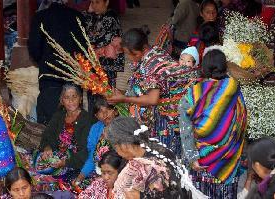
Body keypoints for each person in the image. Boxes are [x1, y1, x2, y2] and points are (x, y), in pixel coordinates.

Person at [107, 27, 197, 155]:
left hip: (168, 120)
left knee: (167, 155)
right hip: (172, 112)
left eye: (132, 54)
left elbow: (152, 99)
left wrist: (124, 99)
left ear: (143, 49)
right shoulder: (156, 51)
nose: (130, 58)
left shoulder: (151, 64)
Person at [179, 49, 247, 198]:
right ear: (225, 67)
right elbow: (241, 120)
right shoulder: (233, 88)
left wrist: (192, 157)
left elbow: (186, 130)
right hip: (228, 157)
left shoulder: (192, 94)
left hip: (202, 160)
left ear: (203, 68)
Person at [28, 0, 87, 124]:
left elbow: (34, 48)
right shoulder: (78, 17)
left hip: (50, 76)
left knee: (50, 120)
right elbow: (84, 50)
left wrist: (45, 61)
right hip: (73, 76)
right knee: (73, 116)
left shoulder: (40, 17)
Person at [106, 117, 188, 198]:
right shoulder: (149, 147)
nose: (117, 152)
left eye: (116, 148)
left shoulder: (155, 164)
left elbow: (171, 193)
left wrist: (139, 196)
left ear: (124, 145)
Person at [34, 84, 96, 191]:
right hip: (58, 155)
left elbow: (86, 150)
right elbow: (48, 134)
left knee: (65, 180)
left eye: (74, 97)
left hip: (76, 160)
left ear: (80, 99)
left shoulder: (87, 119)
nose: (71, 101)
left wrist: (65, 162)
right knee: (38, 163)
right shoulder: (59, 116)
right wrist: (47, 147)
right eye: (67, 98)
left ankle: (59, 180)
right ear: (62, 101)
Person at [83, 0, 125, 113]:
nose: (94, 5)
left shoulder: (110, 17)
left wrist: (88, 43)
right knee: (93, 92)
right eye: (92, 2)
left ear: (106, 2)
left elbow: (99, 39)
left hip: (106, 64)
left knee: (104, 94)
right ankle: (94, 119)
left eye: (97, 2)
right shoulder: (93, 16)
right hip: (95, 62)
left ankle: (106, 120)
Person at [74, 97, 118, 185]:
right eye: (100, 111)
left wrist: (105, 141)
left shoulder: (121, 127)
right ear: (96, 116)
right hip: (99, 170)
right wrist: (80, 176)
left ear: (116, 111)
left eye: (108, 109)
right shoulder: (95, 129)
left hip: (117, 172)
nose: (105, 114)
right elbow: (92, 157)